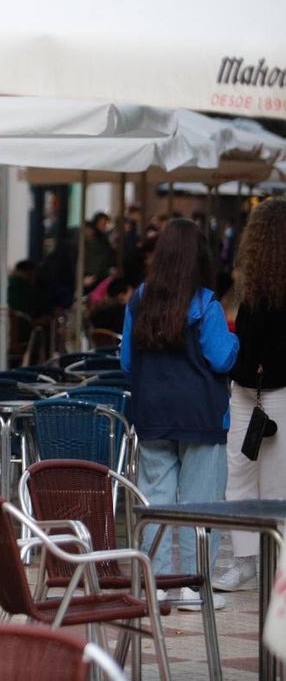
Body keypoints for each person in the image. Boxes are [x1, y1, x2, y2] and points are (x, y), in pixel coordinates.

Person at [122, 219, 238, 608]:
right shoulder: (207, 304)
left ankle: (152, 582)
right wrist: (235, 341)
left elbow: (126, 361)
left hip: (152, 413)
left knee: (154, 501)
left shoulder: (139, 299)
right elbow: (222, 358)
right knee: (200, 504)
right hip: (201, 416)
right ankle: (192, 586)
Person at [219, 199, 286, 592]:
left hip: (264, 391)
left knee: (258, 478)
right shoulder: (254, 285)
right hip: (250, 391)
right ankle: (248, 560)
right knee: (245, 473)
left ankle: (269, 562)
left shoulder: (258, 287)